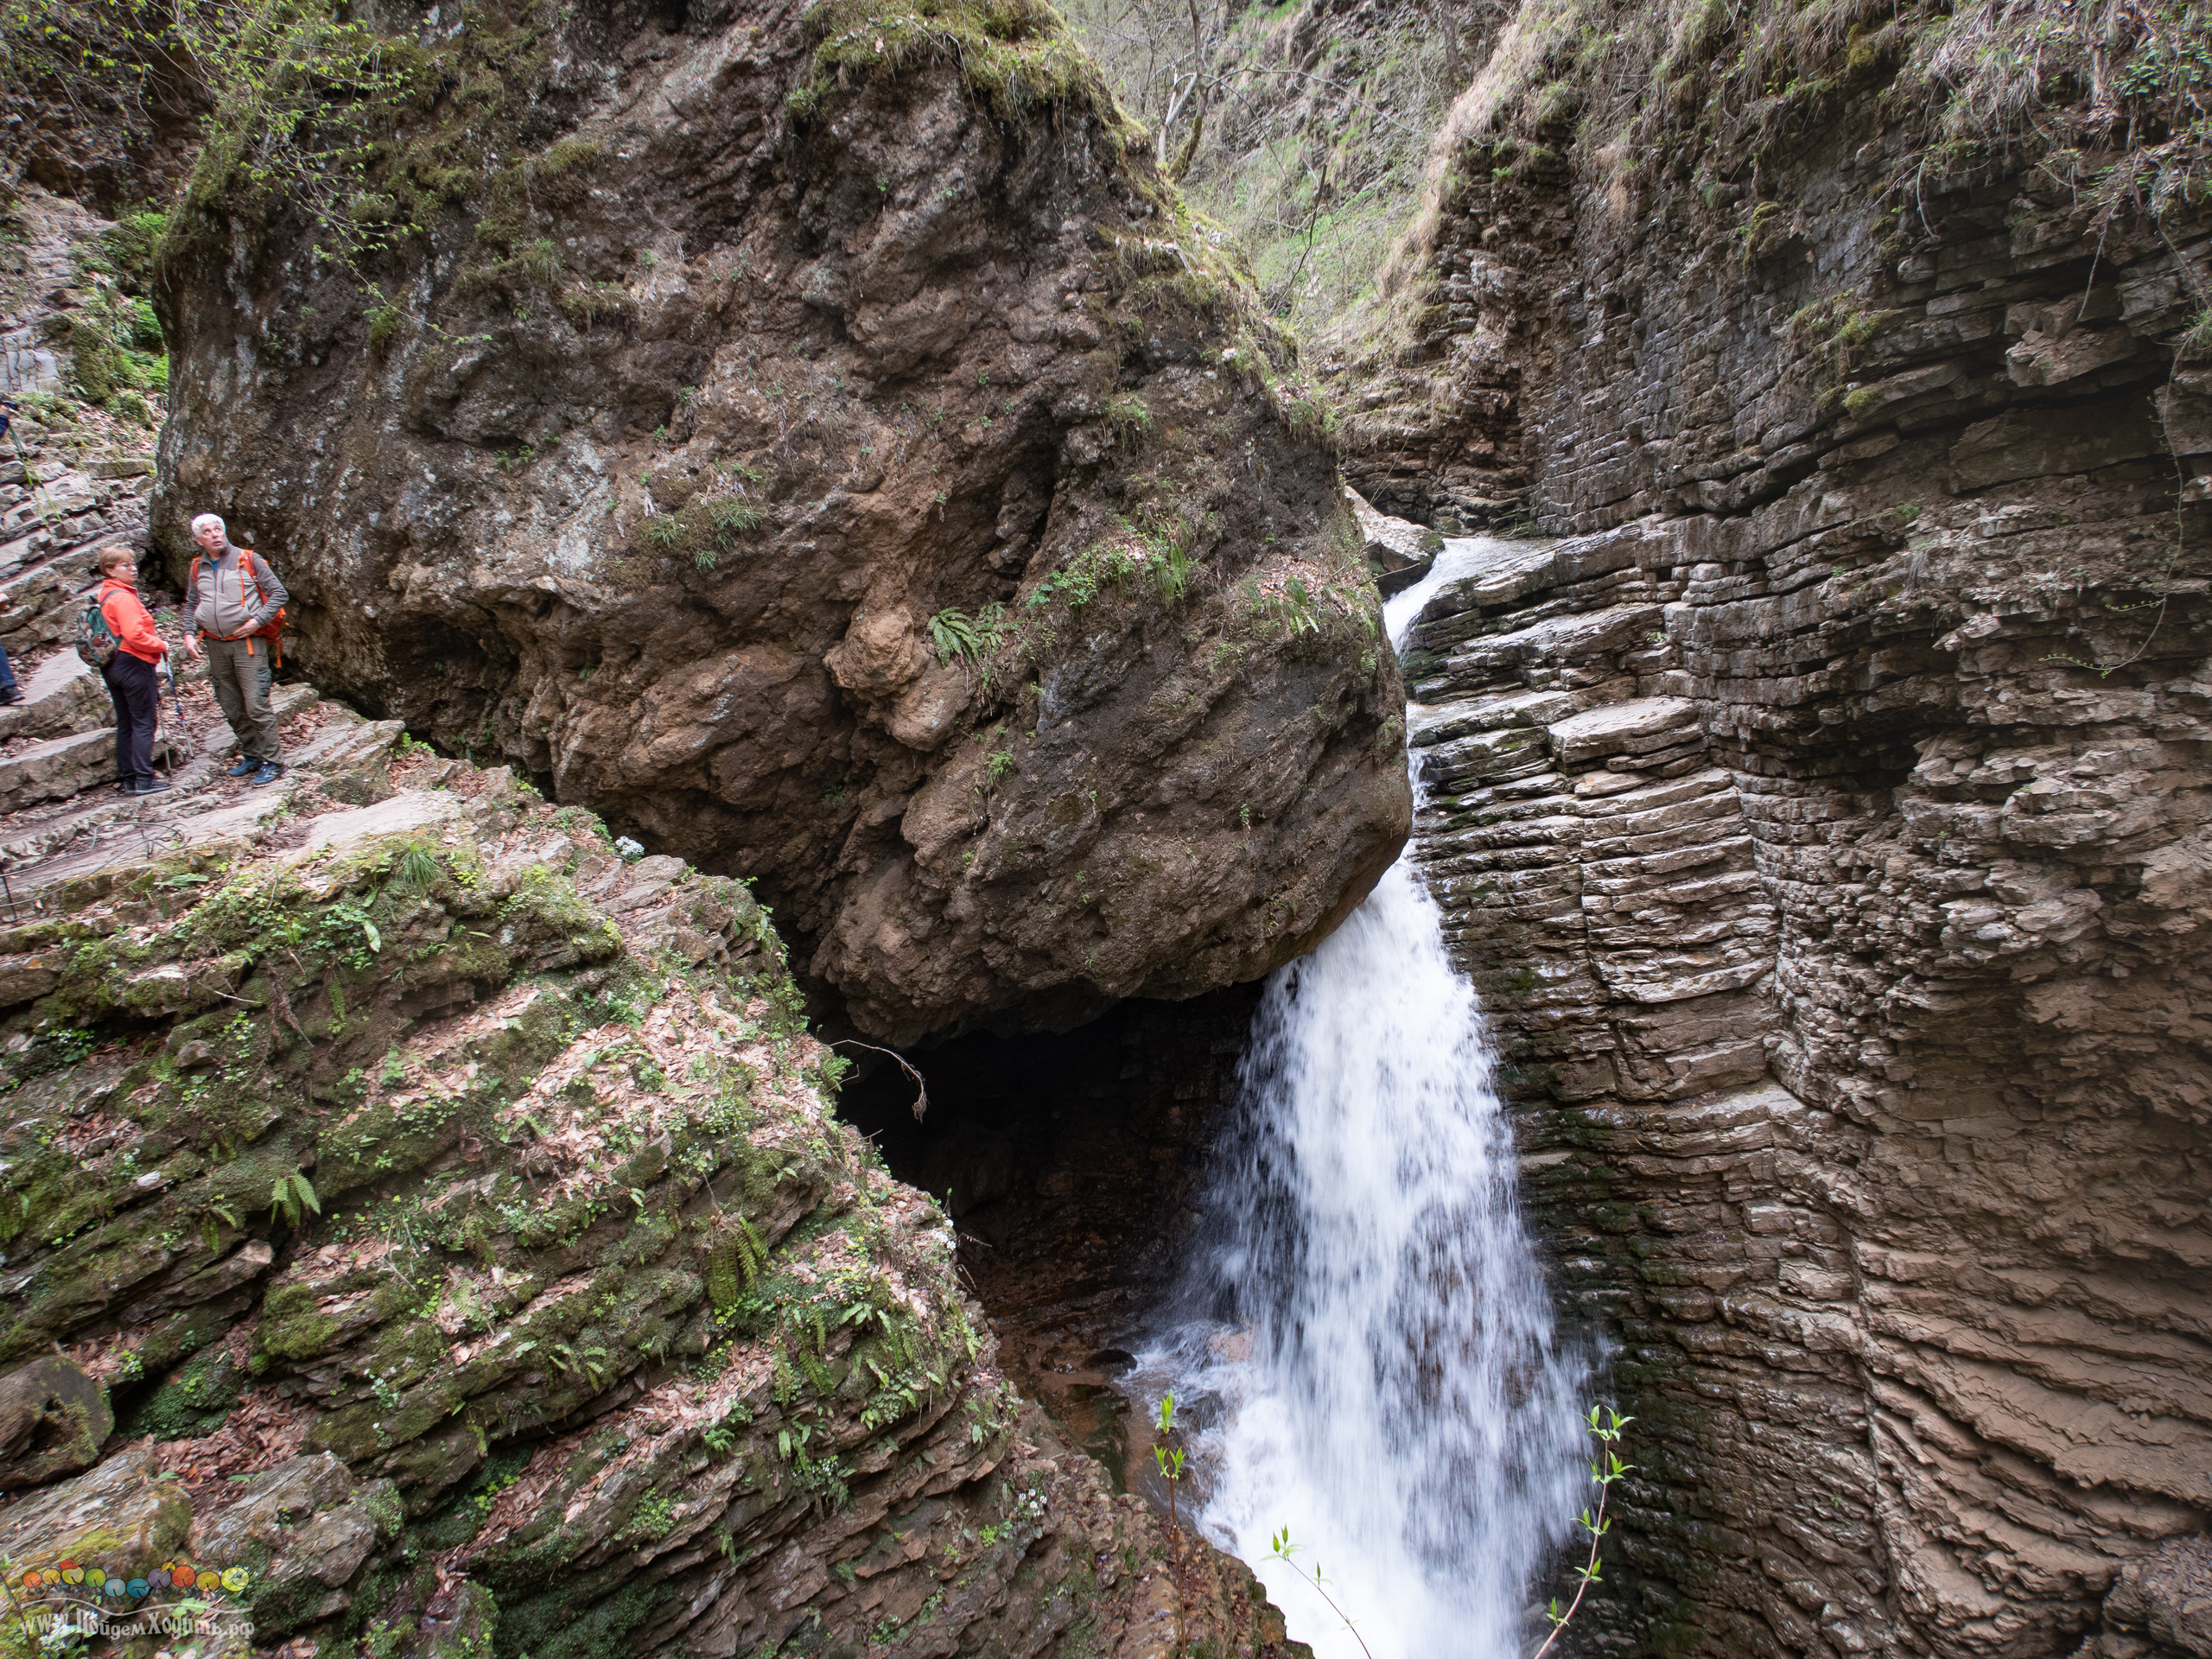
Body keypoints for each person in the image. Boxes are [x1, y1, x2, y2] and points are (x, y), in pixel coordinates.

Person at [180, 512, 287, 785]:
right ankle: (251, 755)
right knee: (231, 705)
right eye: (208, 531)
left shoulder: (249, 559)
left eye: (219, 529)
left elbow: (278, 594)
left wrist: (257, 621)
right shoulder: (196, 567)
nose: (215, 534)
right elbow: (192, 603)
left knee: (256, 704)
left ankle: (272, 762)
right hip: (215, 644)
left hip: (248, 644)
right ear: (198, 539)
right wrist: (188, 634)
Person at [93, 543, 171, 796]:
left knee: (127, 722)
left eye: (133, 563)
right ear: (109, 570)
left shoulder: (104, 595)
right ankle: (144, 780)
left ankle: (130, 780)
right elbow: (134, 634)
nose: (133, 568)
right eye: (125, 565)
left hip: (112, 664)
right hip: (133, 662)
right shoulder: (124, 597)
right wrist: (161, 644)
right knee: (144, 722)